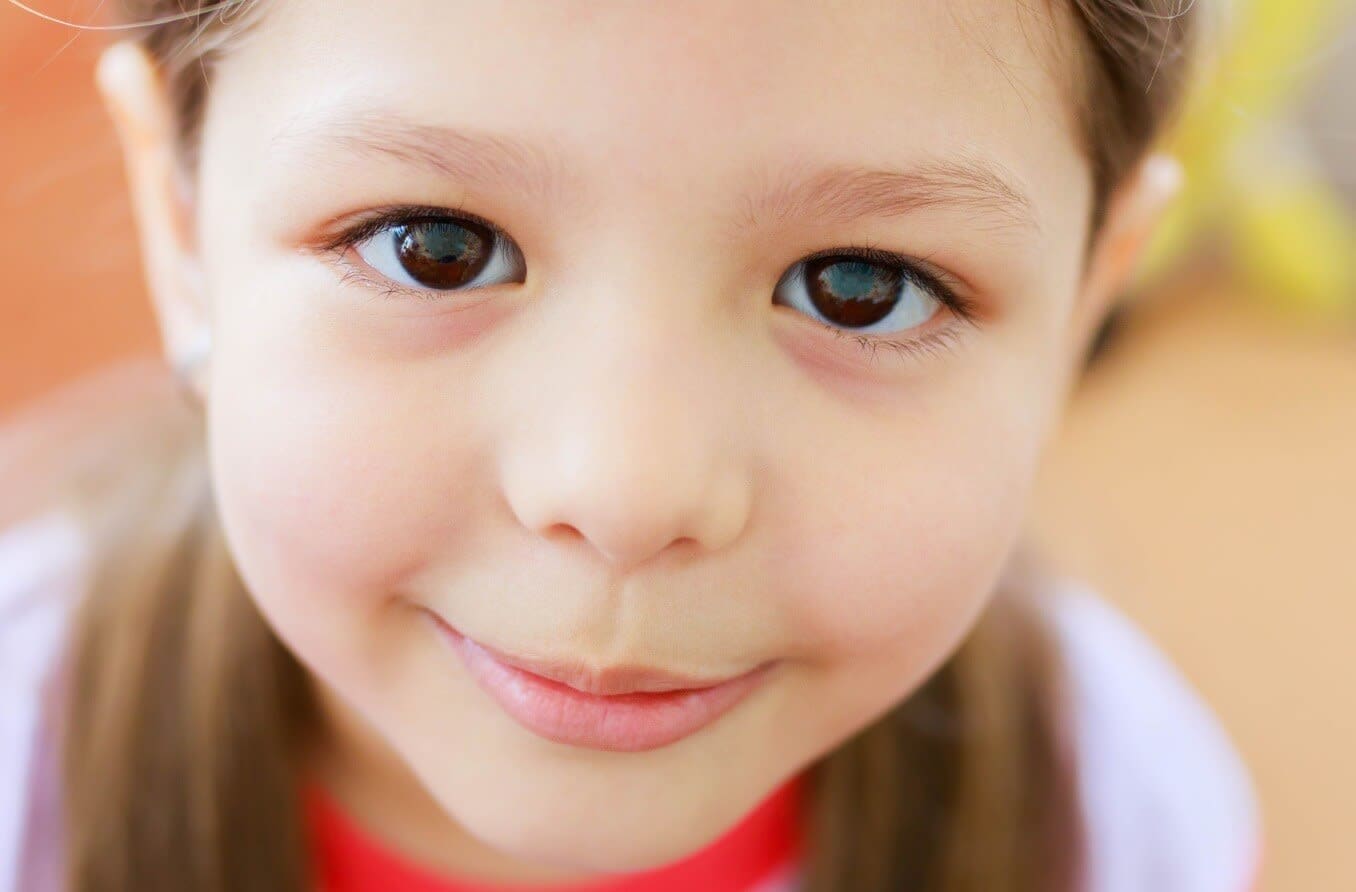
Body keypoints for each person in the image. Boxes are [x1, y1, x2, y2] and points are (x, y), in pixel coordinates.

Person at [0, 1, 1262, 890]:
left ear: (1084, 305)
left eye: (861, 287)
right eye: (434, 244)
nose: (625, 489)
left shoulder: (1111, 809)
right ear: (181, 225)